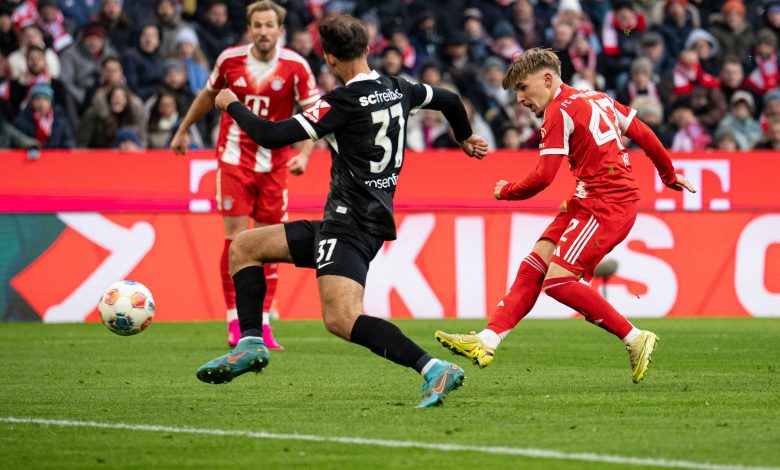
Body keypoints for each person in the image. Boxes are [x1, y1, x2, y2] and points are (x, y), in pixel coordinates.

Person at [195, 13, 488, 408]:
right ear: (368, 49)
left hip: (350, 226)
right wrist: (465, 137)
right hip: (349, 222)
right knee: (245, 247)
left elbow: (271, 135)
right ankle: (251, 342)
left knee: (341, 319)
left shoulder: (340, 103)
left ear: (329, 59)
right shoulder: (399, 88)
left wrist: (231, 104)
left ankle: (434, 368)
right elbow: (450, 99)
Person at [435, 48, 696, 384]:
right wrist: (668, 173)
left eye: (524, 88)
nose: (520, 99)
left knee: (558, 282)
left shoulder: (559, 111)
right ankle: (487, 340)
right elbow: (642, 132)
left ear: (547, 78)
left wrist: (506, 190)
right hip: (588, 199)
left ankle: (634, 336)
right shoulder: (596, 96)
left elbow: (544, 177)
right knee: (535, 264)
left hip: (607, 203)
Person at [170, 1, 320, 349]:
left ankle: (264, 323)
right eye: (257, 25)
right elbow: (208, 96)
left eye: (270, 25)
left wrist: (307, 154)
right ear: (249, 29)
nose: (264, 31)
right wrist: (183, 130)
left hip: (275, 166)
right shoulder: (229, 60)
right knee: (236, 240)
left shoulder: (296, 66)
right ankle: (234, 320)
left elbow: (316, 112)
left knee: (271, 245)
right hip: (234, 160)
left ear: (280, 30)